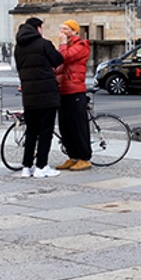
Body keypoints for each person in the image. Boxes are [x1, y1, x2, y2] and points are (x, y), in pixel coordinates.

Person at [14, 17, 66, 179]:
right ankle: (41, 167)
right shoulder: (44, 44)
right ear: (37, 28)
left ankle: (27, 166)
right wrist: (62, 44)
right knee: (45, 132)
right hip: (46, 95)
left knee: (31, 132)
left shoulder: (18, 47)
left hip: (29, 96)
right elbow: (58, 60)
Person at [54, 20, 93, 171]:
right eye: (61, 28)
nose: (62, 31)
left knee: (78, 126)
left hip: (75, 89)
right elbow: (57, 64)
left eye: (66, 29)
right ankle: (72, 156)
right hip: (62, 89)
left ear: (75, 31)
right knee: (65, 126)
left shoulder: (82, 46)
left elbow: (66, 58)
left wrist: (62, 44)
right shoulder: (65, 47)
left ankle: (84, 158)